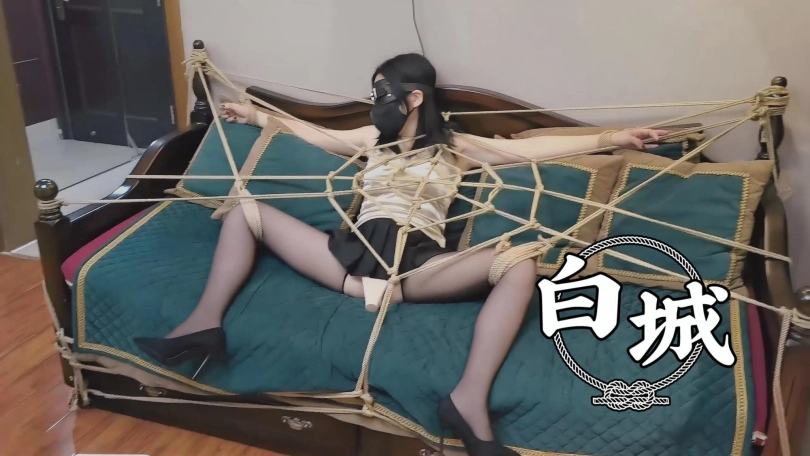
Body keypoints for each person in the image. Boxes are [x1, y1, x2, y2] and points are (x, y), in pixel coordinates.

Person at [135, 53, 666, 456]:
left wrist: (614, 137)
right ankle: (203, 325)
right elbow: (315, 134)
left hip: (415, 269)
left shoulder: (456, 147)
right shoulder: (372, 138)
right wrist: (254, 115)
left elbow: (530, 149)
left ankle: (468, 400)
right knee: (244, 210)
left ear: (412, 98)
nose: (374, 104)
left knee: (520, 261)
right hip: (347, 260)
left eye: (380, 93)